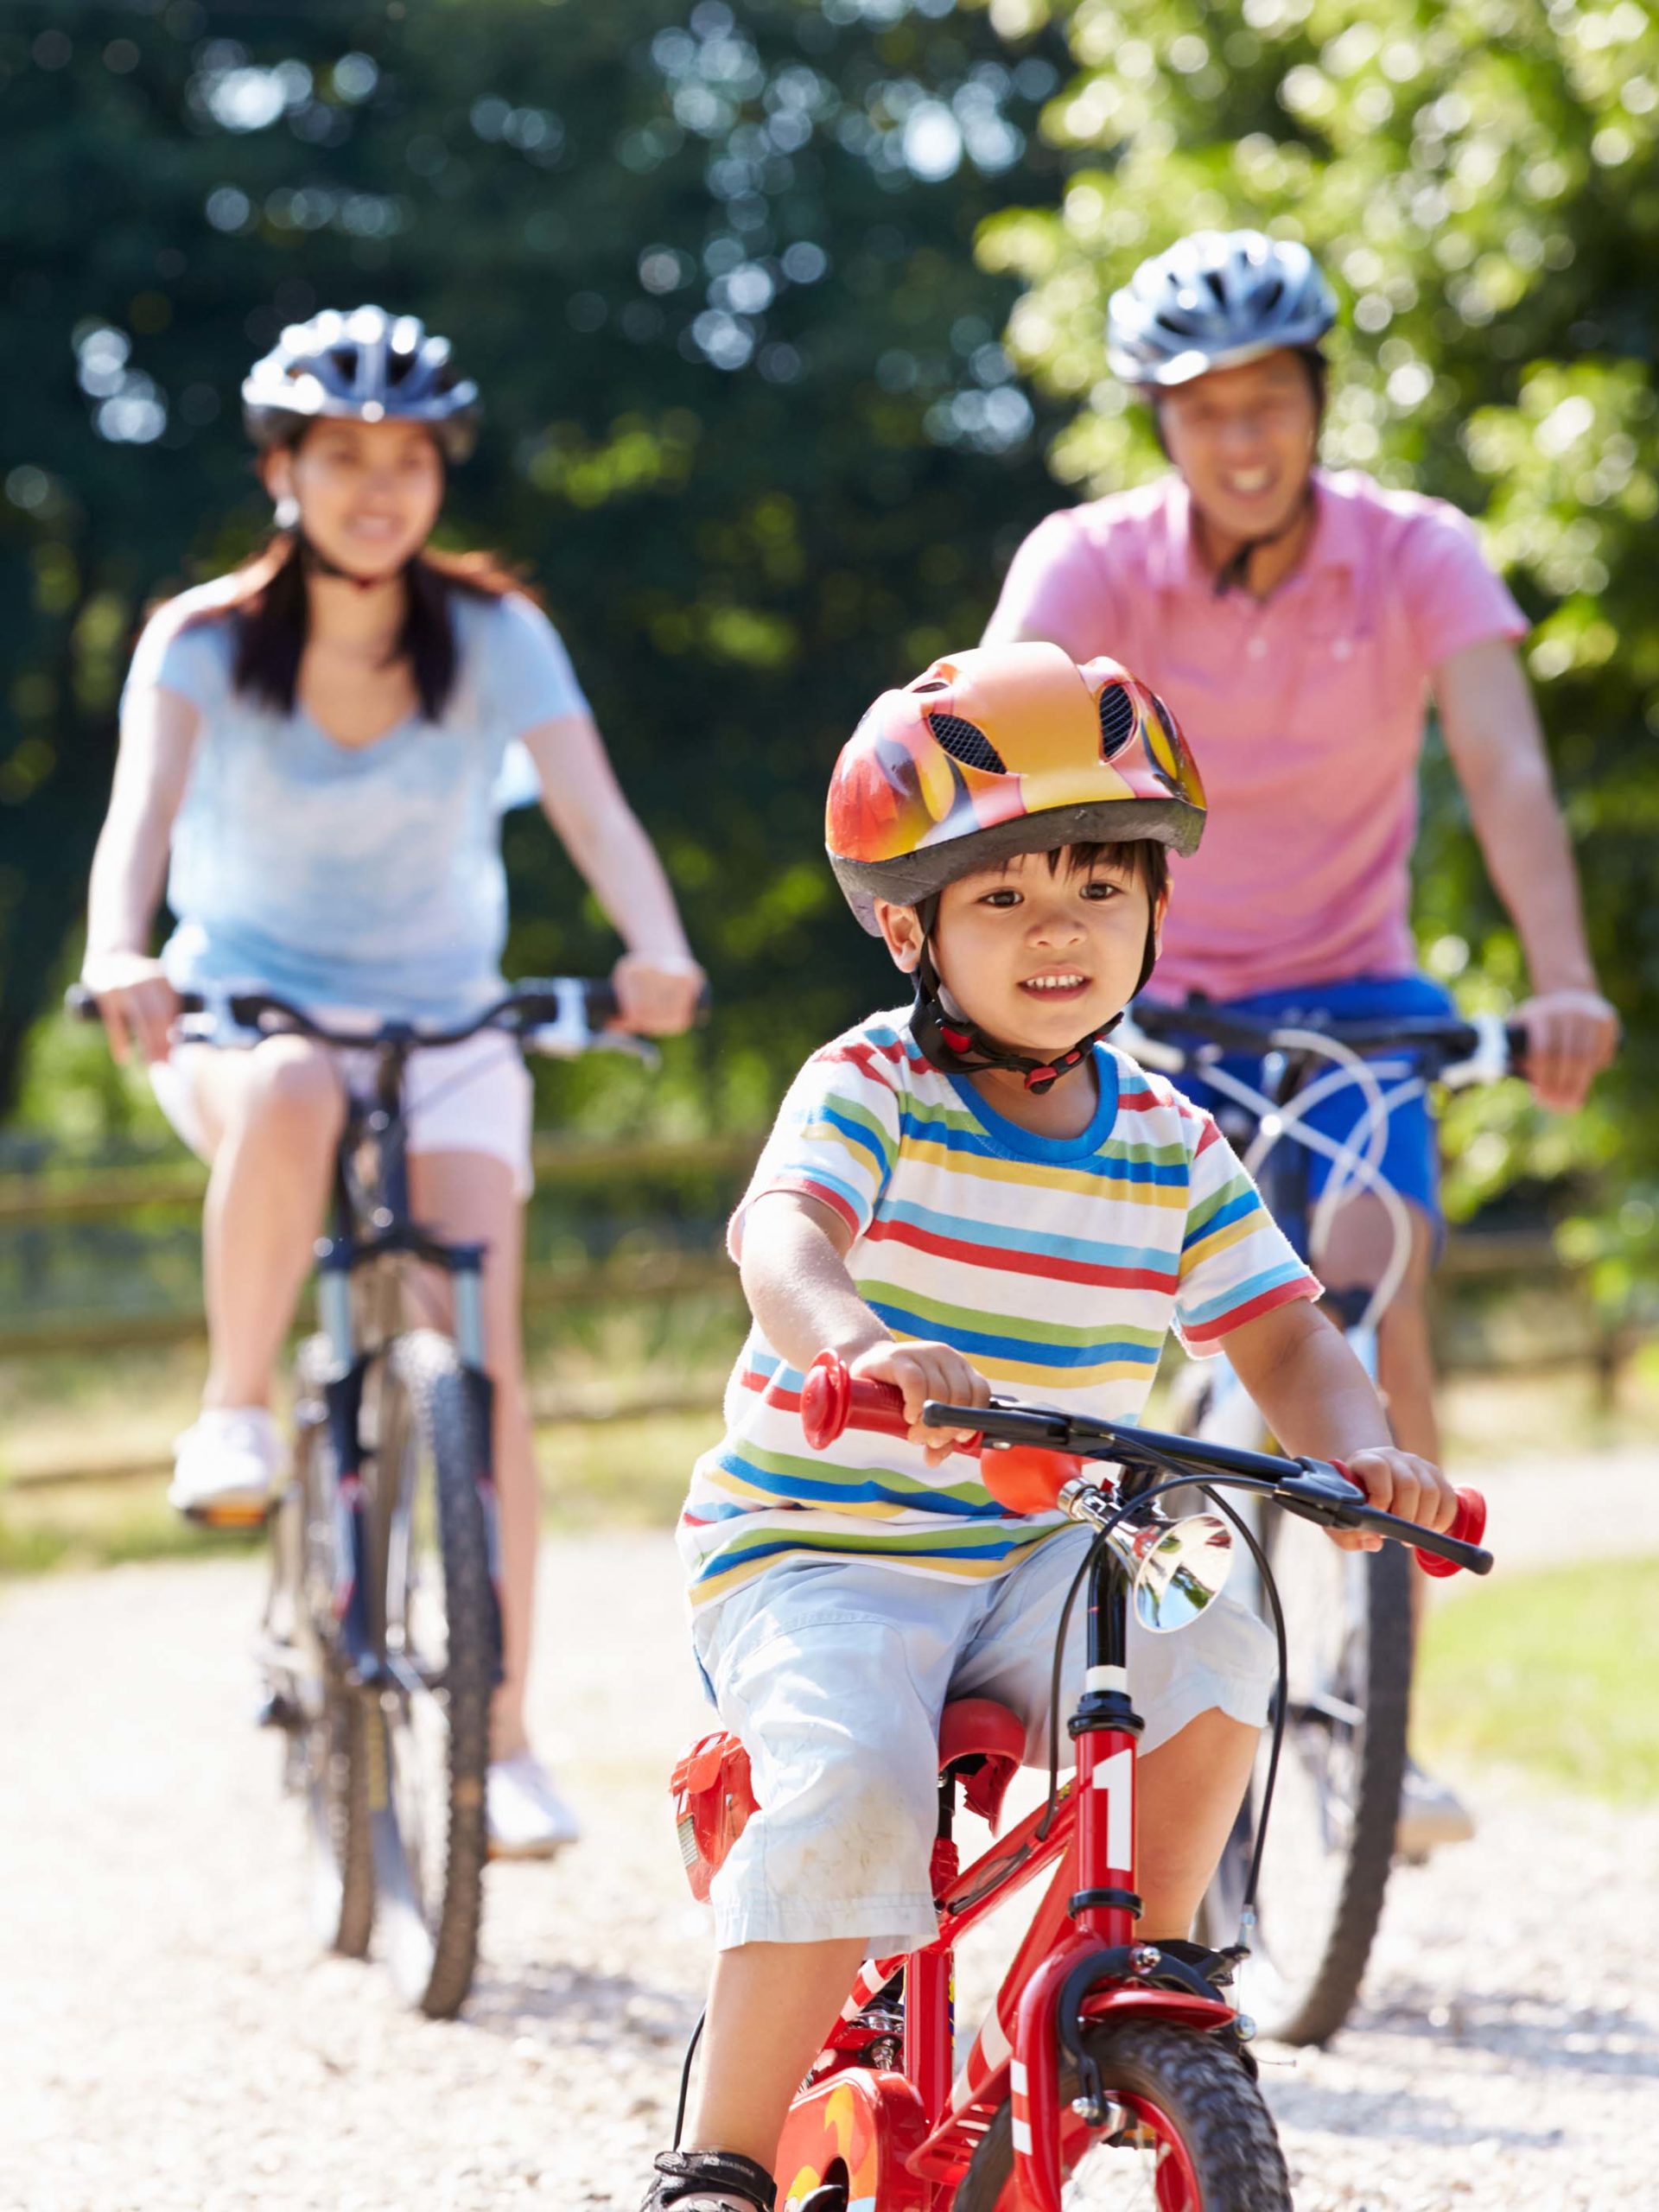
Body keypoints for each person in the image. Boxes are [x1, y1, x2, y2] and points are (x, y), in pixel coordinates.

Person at [643, 642, 1458, 2212]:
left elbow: (1286, 1328)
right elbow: (781, 1240)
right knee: (851, 1788)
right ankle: (720, 2162)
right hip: (827, 1550)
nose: (1059, 930)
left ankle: (1139, 1964)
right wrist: (861, 1344)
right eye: (1003, 896)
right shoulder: (870, 1083)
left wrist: (1359, 1450)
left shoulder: (1168, 1136)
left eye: (1099, 887)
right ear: (911, 927)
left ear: (1157, 909)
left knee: (1218, 1609)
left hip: (1046, 1546)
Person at [983, 229, 1618, 1853]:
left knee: (1368, 1263)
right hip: (1148, 998)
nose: (1244, 439)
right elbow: (999, 750)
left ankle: (1368, 1706)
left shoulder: (1417, 555)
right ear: (1159, 424)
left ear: (1319, 402)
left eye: (1271, 401)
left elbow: (1509, 777)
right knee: (1142, 1345)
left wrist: (1559, 975)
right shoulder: (1092, 560)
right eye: (1206, 411)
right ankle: (1165, 1657)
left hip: (1353, 995)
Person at [81, 305, 705, 1859]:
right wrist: (119, 950)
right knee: (290, 1091)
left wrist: (656, 945)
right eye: (342, 456)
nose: (378, 488)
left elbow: (597, 812)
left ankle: (499, 1742)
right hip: (246, 1015)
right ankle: (234, 1411)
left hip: (447, 1028)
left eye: (408, 460)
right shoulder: (206, 641)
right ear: (283, 470)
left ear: (440, 477)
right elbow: (137, 823)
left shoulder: (495, 635)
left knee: (474, 1356)